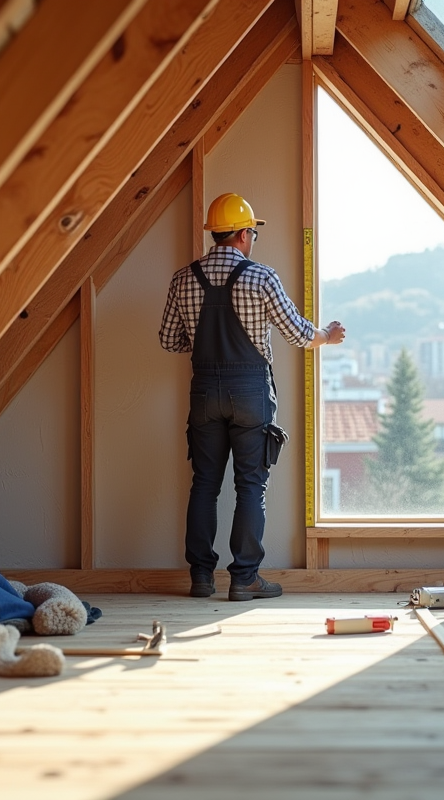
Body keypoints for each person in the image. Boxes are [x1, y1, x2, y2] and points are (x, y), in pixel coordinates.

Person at [160, 192, 345, 600]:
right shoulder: (261, 277)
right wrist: (328, 337)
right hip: (251, 393)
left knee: (204, 483)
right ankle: (244, 579)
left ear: (215, 234)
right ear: (244, 234)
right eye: (252, 233)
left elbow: (169, 341)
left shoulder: (182, 278)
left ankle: (201, 577)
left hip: (204, 391)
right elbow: (298, 333)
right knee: (250, 486)